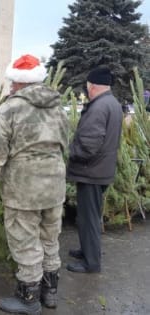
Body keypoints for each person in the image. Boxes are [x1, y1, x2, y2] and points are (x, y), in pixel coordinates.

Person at [0, 54, 69, 314]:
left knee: (25, 242)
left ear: (18, 81)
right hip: (55, 185)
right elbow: (64, 145)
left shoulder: (10, 108)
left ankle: (28, 299)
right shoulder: (58, 107)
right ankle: (50, 293)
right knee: (50, 239)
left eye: (12, 82)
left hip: (23, 188)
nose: (11, 86)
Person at [66, 66, 123, 273]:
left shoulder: (99, 107)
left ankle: (91, 262)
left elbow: (89, 144)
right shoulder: (112, 103)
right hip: (100, 170)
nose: (86, 90)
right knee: (89, 215)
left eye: (87, 86)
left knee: (88, 217)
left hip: (91, 172)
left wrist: (72, 152)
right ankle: (86, 250)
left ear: (93, 86)